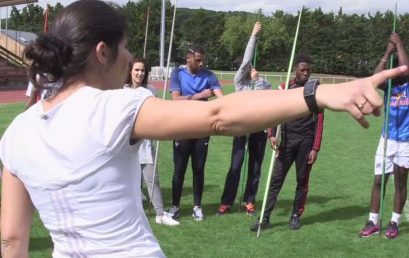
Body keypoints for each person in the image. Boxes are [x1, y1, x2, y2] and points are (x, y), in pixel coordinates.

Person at [0, 0, 408, 256]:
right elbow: (219, 116)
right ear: (103, 51)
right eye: (125, 49)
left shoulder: (17, 133)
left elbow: (11, 242)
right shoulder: (115, 108)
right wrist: (316, 95)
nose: (129, 59)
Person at [250, 54, 324, 231]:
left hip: (306, 141)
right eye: (302, 70)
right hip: (286, 140)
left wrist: (315, 148)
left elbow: (320, 121)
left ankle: (296, 216)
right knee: (275, 179)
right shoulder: (285, 88)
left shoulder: (314, 89)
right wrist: (271, 134)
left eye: (308, 70)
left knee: (301, 181)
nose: (306, 73)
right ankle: (264, 218)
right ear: (295, 70)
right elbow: (275, 111)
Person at [217, 22, 271, 216]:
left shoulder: (262, 82)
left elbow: (266, 100)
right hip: (241, 129)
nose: (248, 68)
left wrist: (258, 81)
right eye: (246, 67)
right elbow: (246, 59)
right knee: (235, 167)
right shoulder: (239, 82)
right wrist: (253, 36)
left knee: (255, 168)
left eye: (250, 67)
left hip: (258, 130)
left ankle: (249, 200)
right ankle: (226, 202)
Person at [359, 32, 409, 239]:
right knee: (379, 181)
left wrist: (399, 44)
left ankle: (394, 222)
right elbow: (373, 79)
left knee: (400, 183)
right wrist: (387, 52)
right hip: (386, 139)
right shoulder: (388, 85)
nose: (396, 73)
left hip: (406, 142)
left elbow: (405, 67)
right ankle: (373, 221)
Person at [167, 46, 224, 221]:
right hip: (182, 127)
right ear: (188, 58)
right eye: (198, 59)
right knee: (179, 170)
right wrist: (200, 96)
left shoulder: (209, 75)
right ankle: (175, 206)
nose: (201, 63)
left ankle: (197, 207)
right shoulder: (177, 73)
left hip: (202, 128)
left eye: (202, 59)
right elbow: (175, 99)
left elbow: (221, 98)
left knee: (198, 169)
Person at [126, 57, 179, 226]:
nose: (139, 73)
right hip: (125, 144)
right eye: (136, 70)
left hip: (145, 143)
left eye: (142, 70)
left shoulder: (150, 90)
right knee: (126, 181)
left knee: (152, 179)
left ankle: (159, 214)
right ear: (130, 71)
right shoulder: (122, 90)